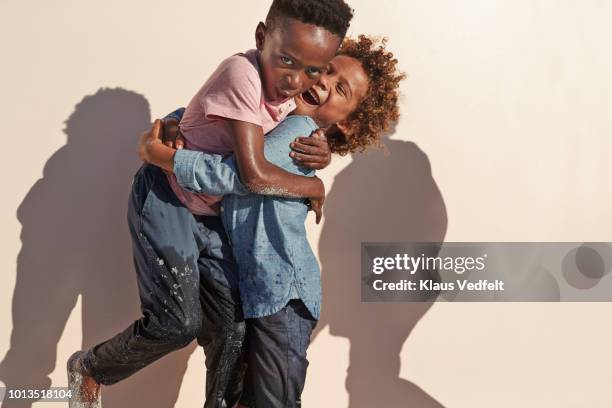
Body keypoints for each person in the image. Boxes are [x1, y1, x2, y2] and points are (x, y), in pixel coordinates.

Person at [67, 1, 354, 407]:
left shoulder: (290, 99)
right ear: (260, 38)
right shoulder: (243, 73)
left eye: (312, 70)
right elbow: (252, 174)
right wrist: (313, 187)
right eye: (287, 60)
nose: (295, 80)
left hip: (213, 217)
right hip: (170, 198)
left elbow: (206, 119)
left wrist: (320, 152)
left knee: (233, 330)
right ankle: (91, 368)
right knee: (177, 323)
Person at [141, 35, 406, 407]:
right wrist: (173, 121)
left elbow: (234, 174)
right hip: (264, 292)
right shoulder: (283, 121)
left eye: (340, 89)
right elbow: (222, 120)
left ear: (348, 124)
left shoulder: (299, 135)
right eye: (326, 70)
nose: (324, 83)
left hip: (283, 294)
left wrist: (161, 156)